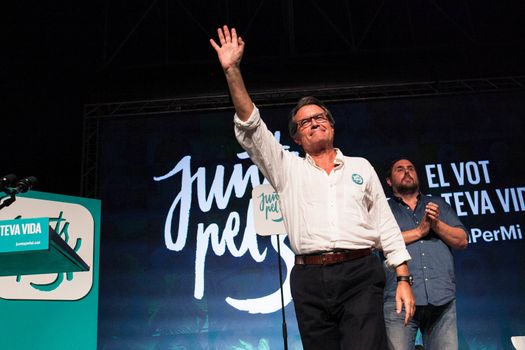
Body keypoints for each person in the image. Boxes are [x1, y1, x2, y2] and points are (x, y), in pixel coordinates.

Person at [210, 25, 415, 350]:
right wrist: (233, 70)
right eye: (305, 122)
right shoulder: (285, 168)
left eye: (319, 117)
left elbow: (386, 227)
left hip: (361, 272)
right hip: (310, 278)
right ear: (296, 137)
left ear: (331, 125)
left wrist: (403, 278)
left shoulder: (360, 167)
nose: (314, 122)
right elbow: (251, 125)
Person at [383, 158, 468, 350]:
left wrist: (436, 224)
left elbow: (462, 240)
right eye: (400, 169)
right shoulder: (384, 209)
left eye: (411, 168)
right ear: (389, 181)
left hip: (441, 298)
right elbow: (378, 242)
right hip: (399, 300)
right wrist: (420, 232)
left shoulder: (436, 204)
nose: (407, 172)